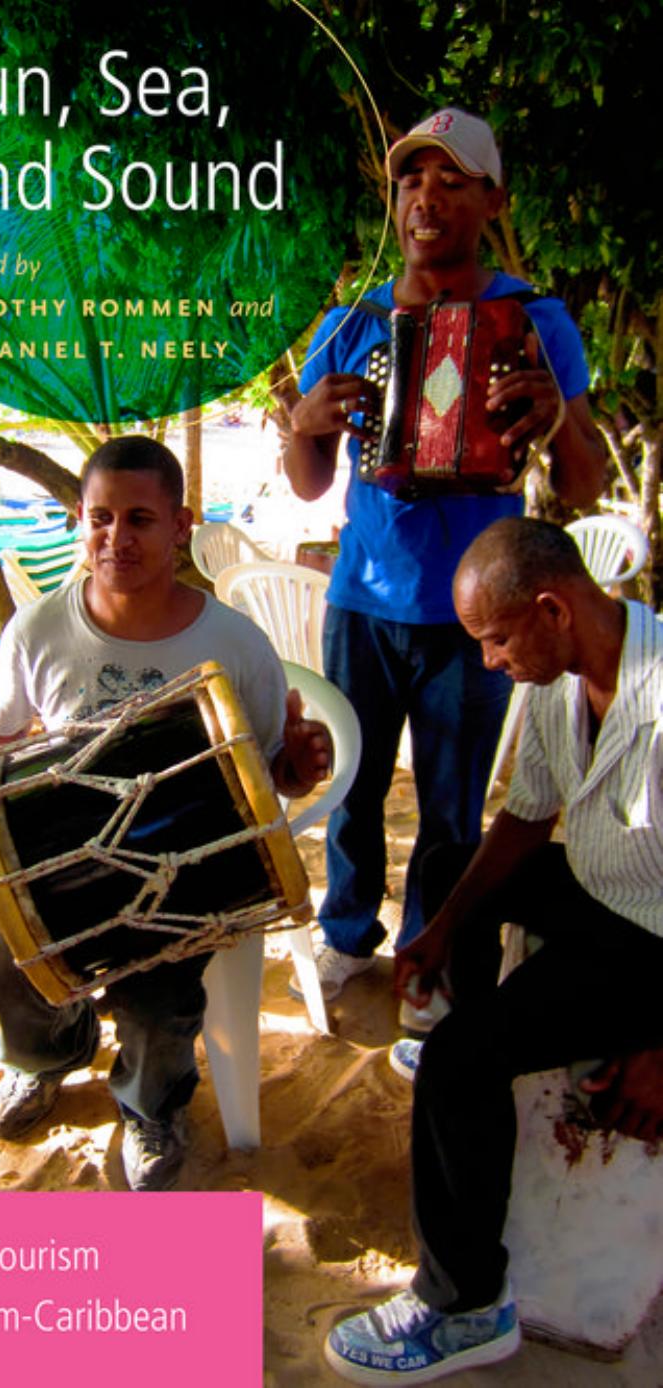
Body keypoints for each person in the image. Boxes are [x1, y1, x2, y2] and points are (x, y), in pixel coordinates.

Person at [324, 516, 663, 1384]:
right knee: (449, 866)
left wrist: (659, 1050)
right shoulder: (558, 676)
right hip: (602, 888)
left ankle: (463, 1305)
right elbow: (525, 817)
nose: (486, 661)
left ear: (551, 609)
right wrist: (440, 931)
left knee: (455, 1063)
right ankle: (477, 1066)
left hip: (650, 945)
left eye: (495, 639)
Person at [284, 109, 606, 1016]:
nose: (425, 198)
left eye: (451, 181)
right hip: (361, 600)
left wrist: (555, 418)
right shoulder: (348, 324)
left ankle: (431, 956)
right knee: (351, 789)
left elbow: (580, 485)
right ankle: (347, 936)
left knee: (452, 806)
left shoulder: (536, 321)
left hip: (479, 617)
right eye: (410, 181)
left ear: (491, 201)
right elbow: (309, 482)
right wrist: (302, 424)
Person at [0, 434, 332, 1190]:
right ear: (79, 521)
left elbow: (265, 783)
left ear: (180, 526)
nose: (117, 539)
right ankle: (48, 1054)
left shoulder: (233, 642)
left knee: (160, 1003)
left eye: (139, 519)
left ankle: (148, 1105)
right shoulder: (37, 630)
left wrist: (298, 768)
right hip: (60, 860)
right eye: (100, 518)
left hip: (183, 869)